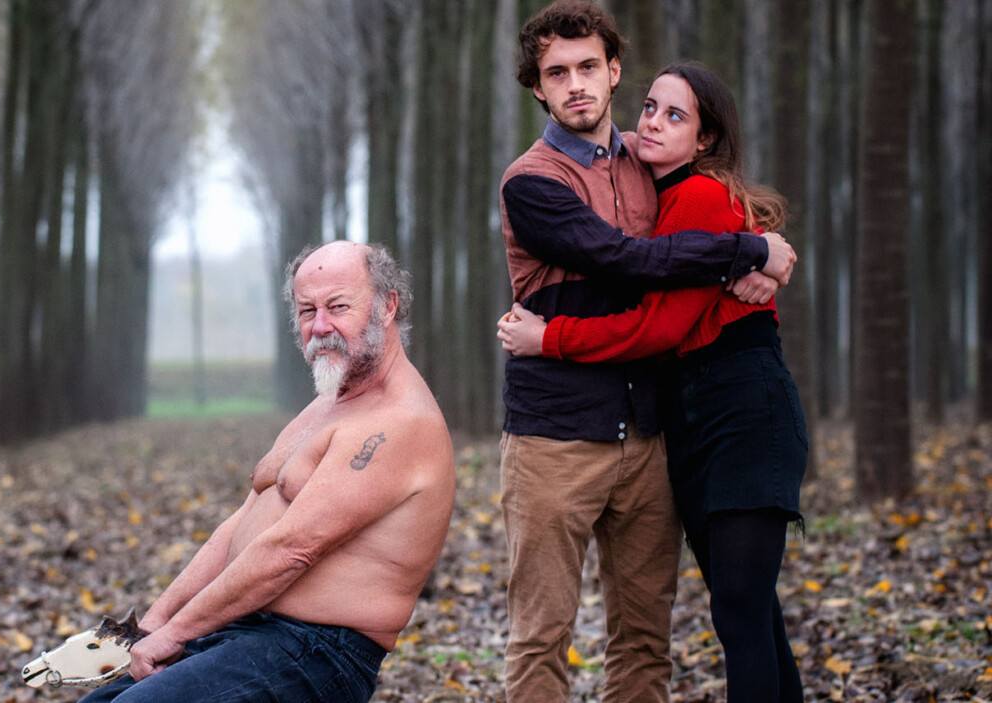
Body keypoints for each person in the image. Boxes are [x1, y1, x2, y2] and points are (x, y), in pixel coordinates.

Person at [494, 2, 797, 702]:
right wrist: (748, 252)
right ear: (537, 87)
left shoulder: (648, 156)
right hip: (554, 440)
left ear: (614, 71)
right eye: (557, 72)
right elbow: (624, 258)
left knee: (643, 642)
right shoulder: (530, 181)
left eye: (588, 67)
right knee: (541, 638)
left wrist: (771, 255)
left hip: (651, 439)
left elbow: (719, 205)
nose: (576, 84)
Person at [79, 241, 455, 703]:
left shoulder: (399, 422)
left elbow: (292, 549)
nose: (320, 327)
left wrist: (178, 631)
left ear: (386, 306)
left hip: (319, 653)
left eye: (338, 307)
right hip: (245, 627)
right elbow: (246, 519)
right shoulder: (329, 404)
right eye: (306, 310)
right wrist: (155, 623)